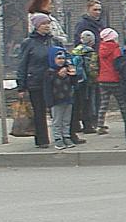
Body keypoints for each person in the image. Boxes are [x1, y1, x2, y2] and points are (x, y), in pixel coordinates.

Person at [17, 13, 63, 149]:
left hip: (55, 81)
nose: (46, 26)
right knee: (39, 111)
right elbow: (22, 64)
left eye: (48, 23)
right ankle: (42, 139)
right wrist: (21, 86)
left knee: (59, 110)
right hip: (36, 81)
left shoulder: (54, 41)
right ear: (36, 26)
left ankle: (62, 136)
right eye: (43, 24)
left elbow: (63, 57)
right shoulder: (29, 43)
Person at [67, 26, 100, 140]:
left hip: (76, 80)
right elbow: (92, 68)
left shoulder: (75, 50)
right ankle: (88, 125)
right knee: (87, 103)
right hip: (87, 82)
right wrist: (95, 78)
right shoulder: (91, 52)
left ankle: (76, 124)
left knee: (76, 104)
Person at [47, 47, 81, 149]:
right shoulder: (50, 72)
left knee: (66, 120)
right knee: (57, 120)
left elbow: (75, 84)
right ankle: (58, 138)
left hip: (68, 99)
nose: (61, 61)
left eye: (63, 58)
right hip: (56, 100)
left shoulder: (68, 71)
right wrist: (49, 102)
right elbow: (47, 88)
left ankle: (66, 136)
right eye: (58, 58)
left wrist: (73, 75)